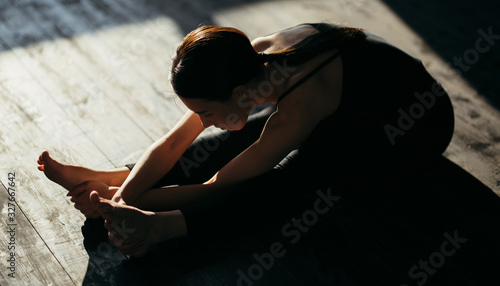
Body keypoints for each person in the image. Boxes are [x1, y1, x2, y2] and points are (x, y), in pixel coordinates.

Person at [38, 22, 454, 257]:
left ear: (240, 95)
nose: (201, 120)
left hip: (410, 128)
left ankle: (164, 228)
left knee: (290, 180)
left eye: (205, 111)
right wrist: (121, 197)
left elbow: (214, 186)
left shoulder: (299, 105)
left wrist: (126, 206)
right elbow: (171, 144)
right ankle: (110, 177)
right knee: (240, 133)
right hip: (349, 100)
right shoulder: (247, 60)